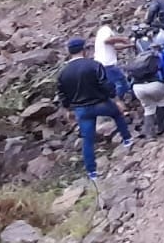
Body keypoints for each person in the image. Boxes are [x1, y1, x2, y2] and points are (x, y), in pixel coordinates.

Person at [56, 38, 133, 180]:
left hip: (82, 109)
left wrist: (67, 109)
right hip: (101, 103)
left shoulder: (63, 73)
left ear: (69, 52)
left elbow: (62, 94)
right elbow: (106, 84)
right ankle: (127, 140)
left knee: (88, 140)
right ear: (84, 50)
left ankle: (92, 172)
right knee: (117, 114)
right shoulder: (94, 65)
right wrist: (116, 100)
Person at [126, 43, 164, 138]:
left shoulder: (137, 59)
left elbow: (130, 78)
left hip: (138, 87)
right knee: (161, 102)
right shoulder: (157, 57)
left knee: (148, 109)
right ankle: (160, 127)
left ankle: (150, 135)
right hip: (155, 84)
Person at [94, 13, 134, 102]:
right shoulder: (106, 30)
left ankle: (117, 100)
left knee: (114, 83)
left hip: (102, 64)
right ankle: (117, 102)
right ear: (112, 22)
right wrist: (122, 39)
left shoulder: (101, 32)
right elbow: (107, 40)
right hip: (107, 64)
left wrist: (129, 45)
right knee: (121, 82)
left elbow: (114, 46)